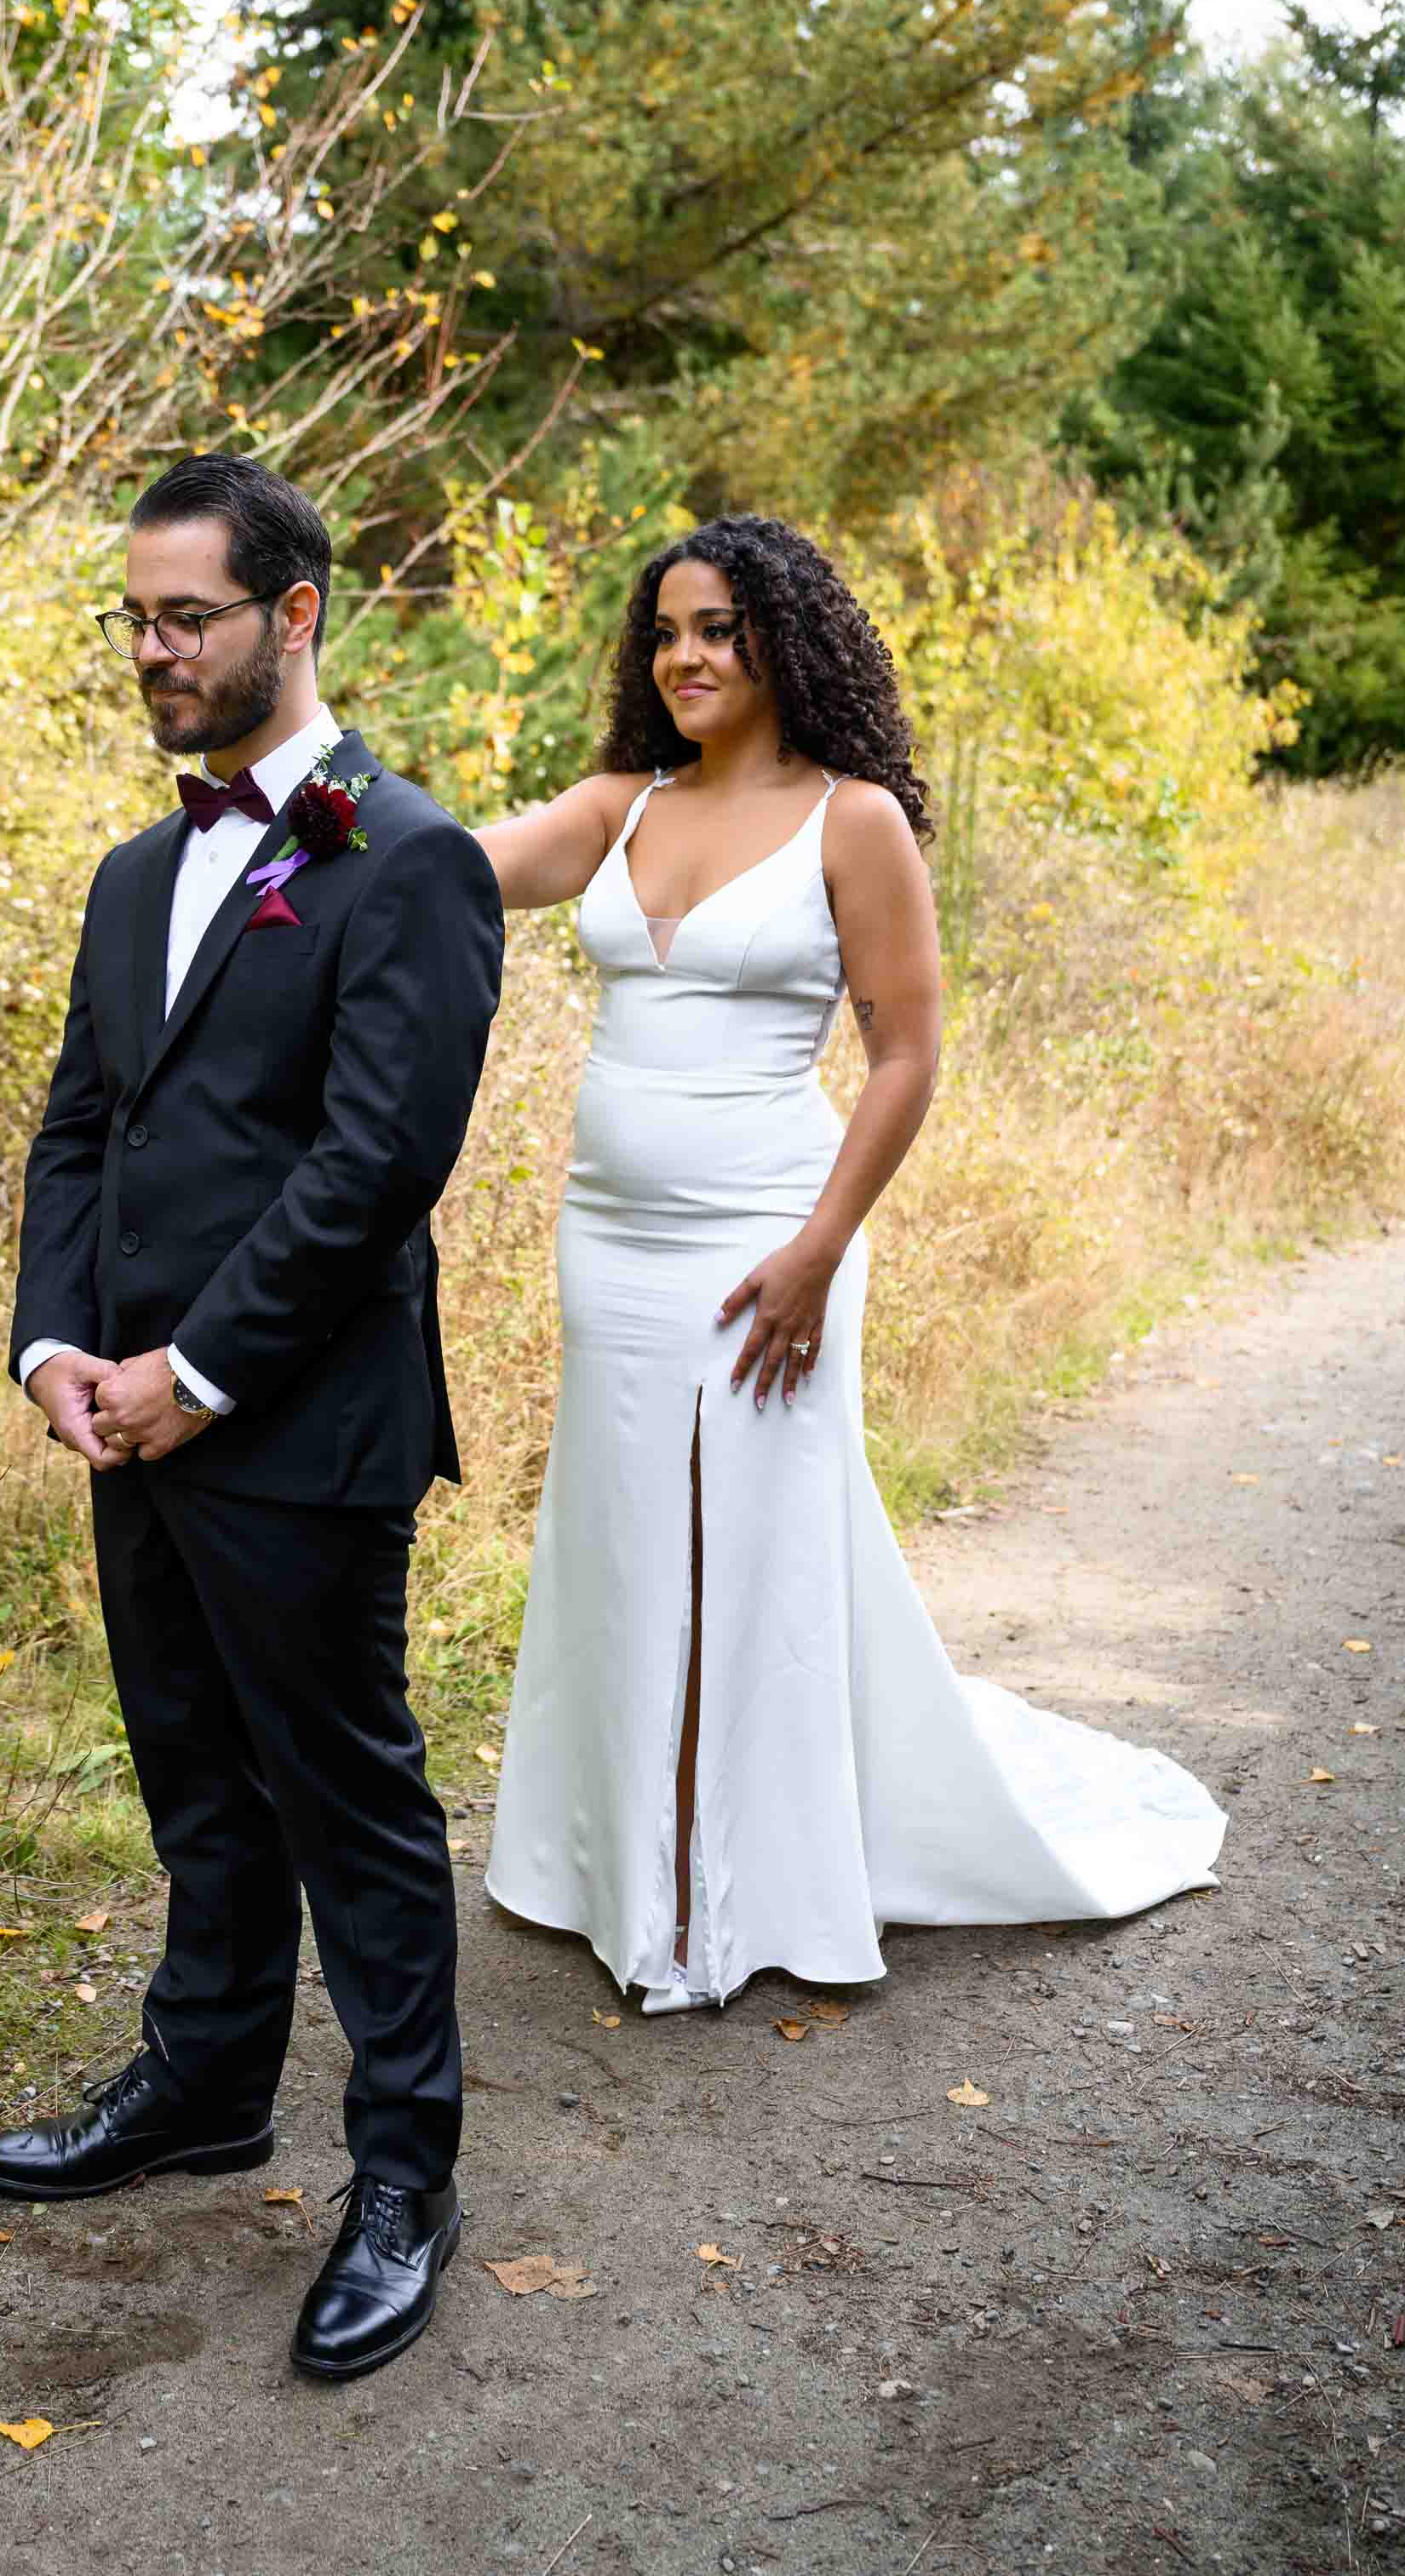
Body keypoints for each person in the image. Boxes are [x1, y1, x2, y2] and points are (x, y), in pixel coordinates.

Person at [475, 514, 1224, 2014]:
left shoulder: (851, 820)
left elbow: (904, 1058)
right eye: (665, 632)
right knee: (624, 1537)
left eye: (718, 629)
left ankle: (716, 1900)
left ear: (786, 641)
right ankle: (615, 1862)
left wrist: (819, 1251)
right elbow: (448, 867)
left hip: (770, 1242)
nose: (684, 656)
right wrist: (312, 801)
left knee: (743, 1548)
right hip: (608, 1242)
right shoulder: (618, 805)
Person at [0, 453, 504, 2380]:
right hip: (122, 1417)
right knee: (195, 1776)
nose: (151, 649)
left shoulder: (409, 858)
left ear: (294, 615)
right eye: (133, 618)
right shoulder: (136, 873)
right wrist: (57, 1350)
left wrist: (195, 1376)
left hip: (298, 1425)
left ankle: (406, 2175)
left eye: (184, 616)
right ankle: (204, 2086)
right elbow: (79, 1130)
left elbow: (375, 1169)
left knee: (345, 1801)